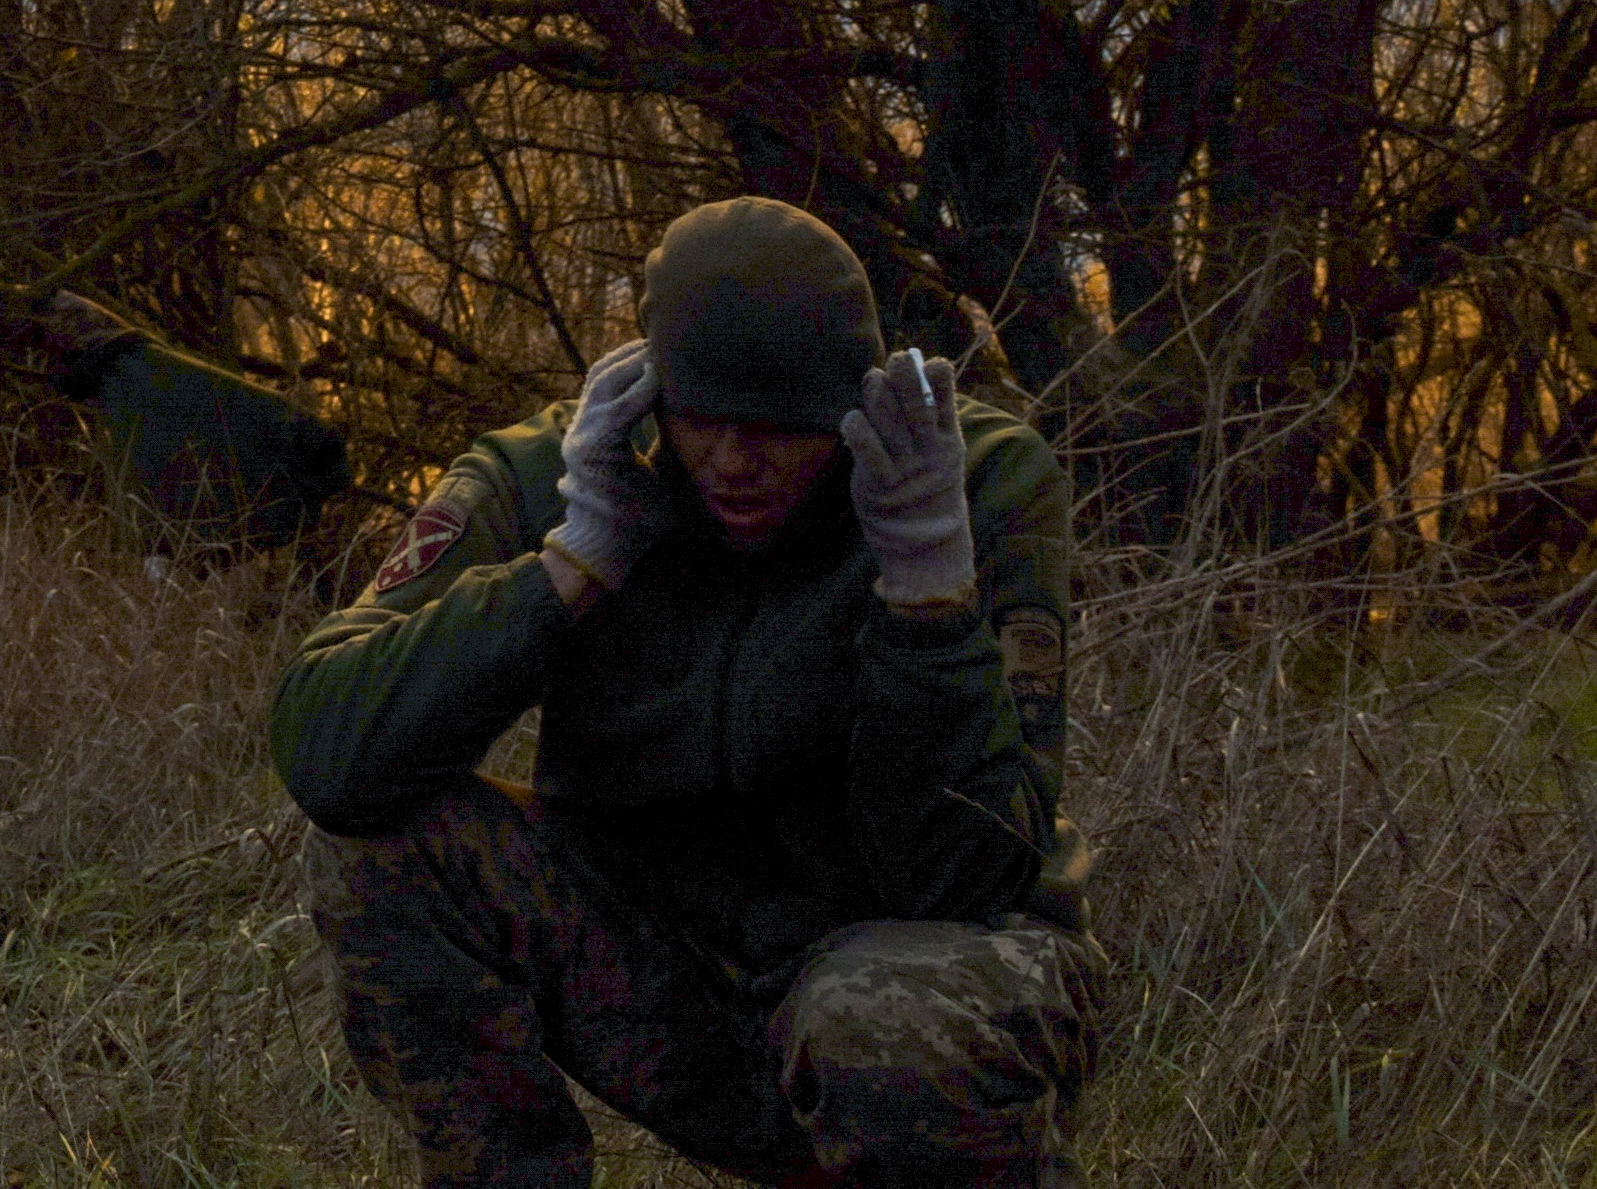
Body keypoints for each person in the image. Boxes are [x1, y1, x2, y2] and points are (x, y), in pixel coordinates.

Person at [267, 198, 1085, 1187]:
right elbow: (327, 754)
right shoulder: (554, 466)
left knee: (876, 1008)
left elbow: (970, 877)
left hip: (906, 971)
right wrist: (569, 564)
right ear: (655, 395)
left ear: (847, 404)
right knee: (380, 845)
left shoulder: (968, 476)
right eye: (701, 419)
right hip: (663, 974)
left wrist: (925, 594)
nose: (735, 461)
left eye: (780, 428)